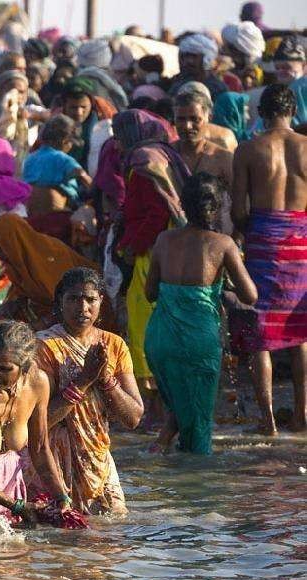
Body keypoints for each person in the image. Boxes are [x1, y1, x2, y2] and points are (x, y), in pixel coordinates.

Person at [145, 174, 258, 454]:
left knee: (181, 406)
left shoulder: (164, 239)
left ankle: (160, 455)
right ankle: (198, 489)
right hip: (198, 342)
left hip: (160, 340)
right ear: (218, 208)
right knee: (198, 425)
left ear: (182, 204)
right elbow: (250, 296)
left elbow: (150, 292)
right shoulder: (224, 244)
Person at [230, 84, 307, 434]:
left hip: (263, 242)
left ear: (261, 112)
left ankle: (268, 421)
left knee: (262, 333)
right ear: (294, 111)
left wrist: (247, 232)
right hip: (302, 243)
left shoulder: (248, 149)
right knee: (300, 332)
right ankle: (302, 415)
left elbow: (238, 210)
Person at [37, 268, 144, 514]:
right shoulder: (43, 346)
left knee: (113, 527)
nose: (82, 307)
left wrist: (105, 379)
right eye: (73, 299)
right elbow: (41, 422)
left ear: (101, 302)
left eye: (90, 299)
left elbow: (133, 418)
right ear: (60, 302)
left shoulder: (114, 345)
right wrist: (85, 379)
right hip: (53, 455)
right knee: (61, 528)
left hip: (98, 452)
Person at [111, 109, 190, 410]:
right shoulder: (157, 155)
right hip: (167, 251)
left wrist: (130, 246)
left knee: (143, 319)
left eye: (119, 139)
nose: (117, 146)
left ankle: (155, 401)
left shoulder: (143, 163)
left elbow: (156, 214)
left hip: (153, 252)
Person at [0, 320, 72, 522]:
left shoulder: (38, 384)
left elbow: (39, 448)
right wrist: (17, 506)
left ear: (25, 367)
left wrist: (61, 497)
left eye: (4, 369)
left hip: (14, 493)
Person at [22, 115, 92, 224]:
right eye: (71, 143)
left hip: (31, 213)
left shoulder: (30, 158)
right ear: (65, 141)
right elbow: (82, 175)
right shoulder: (62, 158)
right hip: (56, 215)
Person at [173, 88, 233, 183]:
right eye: (181, 119)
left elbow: (237, 197)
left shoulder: (223, 158)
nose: (187, 126)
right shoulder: (165, 155)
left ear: (209, 118)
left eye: (195, 119)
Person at [169, 33, 227, 100]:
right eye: (186, 56)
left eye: (194, 56)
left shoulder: (217, 88)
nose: (188, 61)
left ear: (207, 59)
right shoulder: (179, 83)